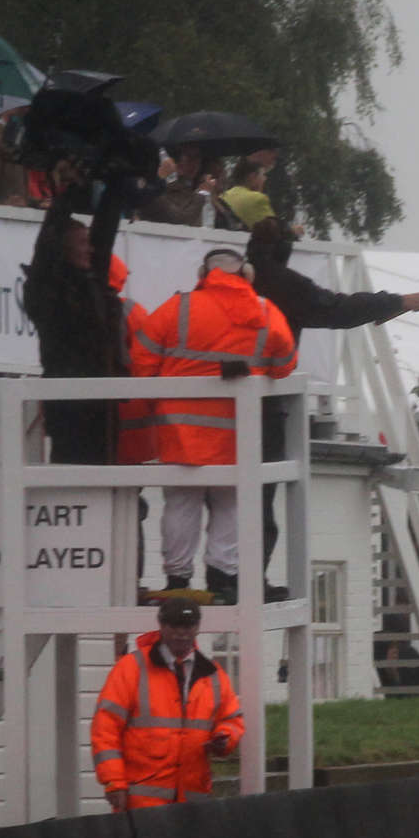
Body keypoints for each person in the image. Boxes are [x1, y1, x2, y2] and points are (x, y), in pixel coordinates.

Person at [246, 217, 419, 594]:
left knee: (209, 502)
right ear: (282, 252)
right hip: (261, 410)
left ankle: (213, 578)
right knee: (256, 503)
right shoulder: (282, 284)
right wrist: (398, 301)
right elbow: (337, 309)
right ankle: (249, 581)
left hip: (204, 413)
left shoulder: (230, 285)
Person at [133, 248, 298, 602]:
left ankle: (178, 581)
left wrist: (156, 402)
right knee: (231, 504)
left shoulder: (178, 308)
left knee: (180, 504)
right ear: (247, 275)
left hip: (179, 432)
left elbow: (142, 359)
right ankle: (222, 578)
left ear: (203, 272)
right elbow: (285, 364)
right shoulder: (266, 312)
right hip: (239, 433)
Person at [21, 161, 130, 464]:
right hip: (70, 407)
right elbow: (45, 247)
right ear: (63, 248)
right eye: (82, 243)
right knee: (71, 481)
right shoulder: (48, 291)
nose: (90, 249)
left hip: (102, 407)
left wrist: (116, 185)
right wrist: (64, 197)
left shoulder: (91, 282)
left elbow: (104, 235)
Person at [92, 597, 244, 810]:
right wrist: (113, 781)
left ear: (197, 628)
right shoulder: (131, 669)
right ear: (162, 627)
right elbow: (105, 728)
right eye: (174, 626)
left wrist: (224, 738)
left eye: (188, 626)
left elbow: (232, 720)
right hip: (140, 805)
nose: (181, 632)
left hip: (192, 804)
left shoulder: (214, 675)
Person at [137, 144, 219, 226]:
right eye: (189, 157)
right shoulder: (152, 191)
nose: (194, 163)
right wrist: (203, 193)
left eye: (197, 157)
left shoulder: (189, 188)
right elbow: (180, 221)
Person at [218, 157, 279, 228]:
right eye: (263, 175)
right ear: (252, 177)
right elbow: (275, 231)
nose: (265, 179)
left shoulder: (222, 197)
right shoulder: (258, 198)